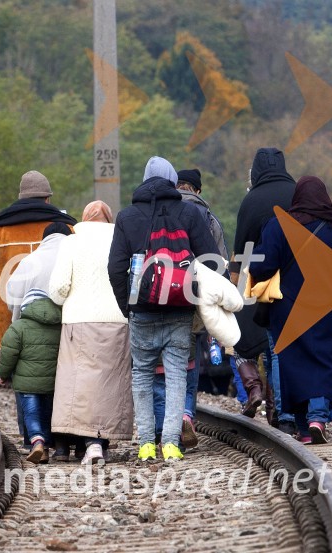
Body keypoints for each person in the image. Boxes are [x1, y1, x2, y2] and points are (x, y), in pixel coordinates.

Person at [108, 156, 219, 462]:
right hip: (179, 307)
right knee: (176, 375)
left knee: (142, 374)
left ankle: (146, 444)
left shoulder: (127, 216)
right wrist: (195, 294)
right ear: (172, 181)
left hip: (141, 309)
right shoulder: (189, 212)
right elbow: (211, 260)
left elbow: (115, 268)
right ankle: (170, 443)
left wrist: (127, 307)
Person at [249, 176, 332, 444]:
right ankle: (317, 419)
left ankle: (304, 429)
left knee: (294, 365)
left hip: (288, 309)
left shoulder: (278, 226)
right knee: (325, 361)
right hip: (329, 309)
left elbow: (261, 267)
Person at [49, 200, 132, 465]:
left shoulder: (71, 242)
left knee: (80, 385)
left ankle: (88, 444)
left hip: (79, 320)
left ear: (84, 217)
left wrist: (66, 301)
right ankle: (101, 443)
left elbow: (59, 288)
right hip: (117, 320)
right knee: (110, 384)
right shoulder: (122, 240)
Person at [152, 168, 230, 449]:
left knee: (161, 363)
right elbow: (219, 262)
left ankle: (163, 424)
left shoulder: (160, 210)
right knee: (190, 360)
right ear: (197, 190)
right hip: (195, 298)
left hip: (161, 293)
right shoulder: (207, 217)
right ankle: (186, 414)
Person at [0, 171, 76, 352]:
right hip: (57, 321)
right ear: (47, 199)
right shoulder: (67, 228)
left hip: (8, 322)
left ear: (21, 198)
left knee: (10, 365)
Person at [230, 148, 297, 429]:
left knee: (272, 345)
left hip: (264, 282)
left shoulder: (252, 199)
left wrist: (234, 287)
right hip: (300, 281)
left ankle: (281, 412)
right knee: (288, 347)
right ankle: (285, 410)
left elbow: (240, 250)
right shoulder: (297, 192)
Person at [5, 221, 74, 454]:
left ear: (44, 239)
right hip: (66, 332)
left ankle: (34, 439)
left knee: (30, 386)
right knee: (61, 388)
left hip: (30, 333)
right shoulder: (73, 257)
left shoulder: (29, 261)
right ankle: (63, 443)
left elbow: (12, 296)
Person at [0, 289, 62, 464]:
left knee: (32, 414)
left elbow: (8, 354)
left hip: (26, 384)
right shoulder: (58, 325)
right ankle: (45, 449)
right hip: (52, 382)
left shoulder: (18, 327)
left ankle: (37, 441)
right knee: (46, 414)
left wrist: (3, 374)